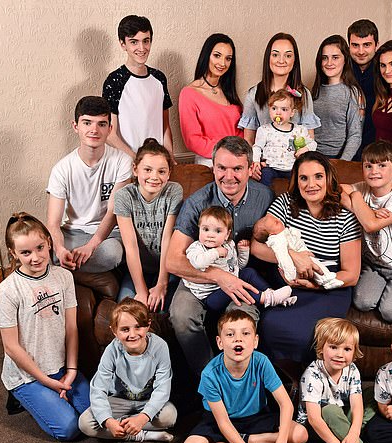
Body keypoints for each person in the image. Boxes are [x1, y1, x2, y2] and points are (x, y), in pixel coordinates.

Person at [166, 136, 275, 377]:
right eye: (221, 168)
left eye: (237, 168)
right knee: (182, 316)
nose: (229, 176)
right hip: (199, 277)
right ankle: (211, 381)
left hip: (241, 275)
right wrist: (217, 276)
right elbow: (173, 260)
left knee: (242, 320)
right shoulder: (197, 202)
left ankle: (242, 382)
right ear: (213, 167)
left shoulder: (264, 197)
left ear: (249, 168)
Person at [251, 151, 362, 364]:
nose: (311, 184)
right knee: (269, 324)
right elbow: (256, 247)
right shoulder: (285, 203)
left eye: (318, 176)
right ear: (296, 181)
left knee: (306, 336)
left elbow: (351, 275)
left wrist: (315, 285)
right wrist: (293, 256)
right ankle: (276, 386)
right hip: (289, 284)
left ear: (329, 179)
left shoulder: (346, 216)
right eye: (304, 178)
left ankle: (304, 386)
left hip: (327, 288)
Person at [0, 213, 90, 441]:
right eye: (25, 253)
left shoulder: (64, 277)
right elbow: (11, 347)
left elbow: (71, 329)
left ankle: (56, 393)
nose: (35, 258)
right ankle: (20, 394)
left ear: (49, 242)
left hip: (61, 367)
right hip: (28, 374)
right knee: (69, 428)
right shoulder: (8, 290)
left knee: (94, 415)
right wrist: (47, 382)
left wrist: (71, 371)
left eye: (40, 248)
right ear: (13, 253)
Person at [179, 310, 308, 443]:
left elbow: (286, 405)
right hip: (222, 421)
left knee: (300, 435)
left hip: (256, 417)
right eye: (230, 334)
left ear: (255, 341)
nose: (238, 339)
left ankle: (246, 440)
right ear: (220, 342)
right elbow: (224, 423)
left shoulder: (261, 362)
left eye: (245, 333)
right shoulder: (210, 374)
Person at [297, 318, 392, 443]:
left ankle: (350, 437)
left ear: (354, 351)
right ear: (321, 348)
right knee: (329, 410)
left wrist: (353, 432)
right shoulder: (313, 374)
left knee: (373, 393)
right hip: (318, 429)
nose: (340, 354)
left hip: (342, 416)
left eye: (347, 349)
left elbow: (357, 405)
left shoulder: (352, 369)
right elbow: (314, 419)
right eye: (333, 347)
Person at [46, 96, 132, 273]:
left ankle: (64, 271)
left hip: (108, 235)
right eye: (87, 123)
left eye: (101, 124)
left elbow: (113, 212)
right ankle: (66, 265)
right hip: (74, 233)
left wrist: (91, 246)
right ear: (75, 126)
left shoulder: (122, 161)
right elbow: (53, 223)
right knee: (44, 250)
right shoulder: (62, 169)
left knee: (112, 254)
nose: (94, 130)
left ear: (110, 128)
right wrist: (60, 250)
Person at [341, 141, 392, 322]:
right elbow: (336, 189)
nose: (374, 171)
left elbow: (371, 224)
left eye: (382, 165)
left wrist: (362, 207)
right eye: (368, 166)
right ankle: (381, 282)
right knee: (362, 302)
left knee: (390, 312)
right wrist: (358, 199)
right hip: (374, 264)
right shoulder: (361, 189)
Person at [79, 298, 177, 442]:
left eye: (138, 327)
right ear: (114, 331)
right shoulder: (112, 350)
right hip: (119, 399)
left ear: (148, 325)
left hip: (148, 401)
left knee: (169, 417)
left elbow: (162, 389)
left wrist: (143, 417)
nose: (132, 334)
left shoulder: (160, 346)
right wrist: (108, 421)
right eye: (125, 329)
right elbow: (98, 388)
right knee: (85, 423)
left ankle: (130, 425)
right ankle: (142, 435)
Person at [238, 32, 320, 181]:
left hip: (295, 167)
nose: (281, 60)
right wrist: (254, 163)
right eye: (275, 55)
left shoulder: (303, 94)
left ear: (294, 60)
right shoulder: (254, 94)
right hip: (266, 166)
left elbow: (309, 138)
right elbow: (249, 139)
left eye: (288, 55)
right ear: (268, 58)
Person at [183, 206, 296, 311]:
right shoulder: (196, 248)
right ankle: (266, 299)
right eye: (206, 229)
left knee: (248, 272)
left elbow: (237, 267)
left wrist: (243, 251)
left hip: (231, 282)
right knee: (237, 288)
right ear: (199, 229)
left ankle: (272, 294)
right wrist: (216, 252)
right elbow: (198, 263)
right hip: (211, 297)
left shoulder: (228, 245)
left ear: (227, 234)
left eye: (217, 231)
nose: (210, 235)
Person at [114, 138, 182, 309]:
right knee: (129, 309)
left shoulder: (174, 191)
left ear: (169, 173)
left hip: (167, 268)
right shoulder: (124, 197)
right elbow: (131, 247)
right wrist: (141, 290)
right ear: (135, 170)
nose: (154, 177)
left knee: (163, 307)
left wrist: (162, 283)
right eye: (148, 170)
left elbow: (168, 238)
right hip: (139, 270)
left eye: (161, 171)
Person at [103, 15, 174, 159]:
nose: (141, 48)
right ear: (123, 44)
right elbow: (110, 134)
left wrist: (169, 156)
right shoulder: (114, 81)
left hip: (157, 163)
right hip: (127, 162)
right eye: (134, 42)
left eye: (146, 41)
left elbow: (165, 126)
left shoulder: (159, 78)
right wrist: (137, 160)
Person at [179, 33, 243, 167]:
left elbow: (241, 130)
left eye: (228, 58)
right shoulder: (189, 93)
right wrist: (225, 152)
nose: (222, 63)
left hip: (237, 159)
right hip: (209, 162)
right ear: (206, 55)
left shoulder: (229, 92)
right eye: (217, 55)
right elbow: (193, 140)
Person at [252, 215, 343, 289]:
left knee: (316, 265)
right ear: (271, 234)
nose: (279, 220)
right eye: (276, 223)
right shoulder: (276, 240)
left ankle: (327, 280)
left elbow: (296, 239)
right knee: (313, 266)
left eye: (277, 219)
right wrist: (290, 275)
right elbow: (283, 258)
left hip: (304, 255)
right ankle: (326, 281)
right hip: (294, 268)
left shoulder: (282, 232)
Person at [312, 35, 362, 161]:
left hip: (337, 158)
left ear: (345, 60)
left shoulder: (351, 92)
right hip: (312, 156)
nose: (329, 63)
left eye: (335, 57)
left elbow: (355, 135)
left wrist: (342, 163)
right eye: (325, 58)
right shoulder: (313, 91)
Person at [252, 89, 316, 186]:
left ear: (292, 113)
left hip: (292, 168)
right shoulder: (264, 130)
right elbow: (257, 147)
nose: (278, 113)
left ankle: (292, 199)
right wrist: (256, 160)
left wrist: (305, 149)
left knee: (301, 179)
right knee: (264, 176)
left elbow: (313, 143)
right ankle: (266, 197)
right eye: (274, 108)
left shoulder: (299, 130)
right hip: (271, 167)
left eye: (284, 109)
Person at [347, 19, 379, 160]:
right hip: (345, 147)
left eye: (366, 45)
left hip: (377, 147)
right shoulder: (339, 67)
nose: (361, 51)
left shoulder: (385, 70)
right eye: (355, 45)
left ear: (376, 45)